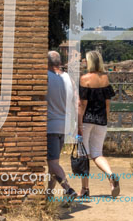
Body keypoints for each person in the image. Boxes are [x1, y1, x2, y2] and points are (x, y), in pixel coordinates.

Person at [78, 50, 120, 198]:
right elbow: (108, 104)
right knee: (97, 154)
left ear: (89, 62)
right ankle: (110, 175)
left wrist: (78, 125)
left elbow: (82, 105)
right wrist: (105, 119)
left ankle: (85, 189)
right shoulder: (105, 79)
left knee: (83, 154)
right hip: (101, 120)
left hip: (87, 120)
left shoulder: (85, 79)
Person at [46, 51, 78, 204]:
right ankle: (49, 194)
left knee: (52, 163)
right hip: (64, 126)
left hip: (51, 125)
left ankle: (68, 189)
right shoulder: (69, 79)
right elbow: (76, 102)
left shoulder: (46, 77)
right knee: (54, 162)